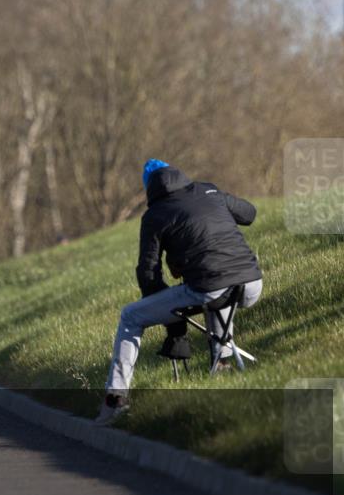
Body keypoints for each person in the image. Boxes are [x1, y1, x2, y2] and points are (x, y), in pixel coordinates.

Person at [96, 159, 263, 426]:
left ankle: (115, 399)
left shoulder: (155, 215)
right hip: (252, 283)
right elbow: (249, 213)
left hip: (212, 288)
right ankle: (222, 364)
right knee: (214, 289)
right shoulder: (209, 191)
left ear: (149, 188)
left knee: (130, 316)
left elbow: (148, 275)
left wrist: (174, 323)